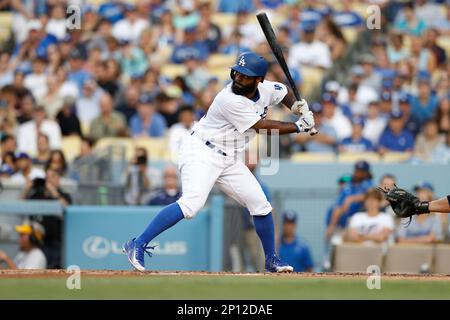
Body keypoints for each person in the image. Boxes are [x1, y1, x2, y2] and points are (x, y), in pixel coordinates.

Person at [123, 51, 316, 272]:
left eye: (246, 75)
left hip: (229, 157)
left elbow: (283, 91)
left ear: (258, 79)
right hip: (201, 152)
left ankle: (272, 260)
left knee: (261, 206)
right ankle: (137, 243)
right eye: (238, 73)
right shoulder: (229, 99)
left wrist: (295, 106)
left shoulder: (266, 89)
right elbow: (262, 127)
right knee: (190, 205)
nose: (239, 78)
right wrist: (299, 125)